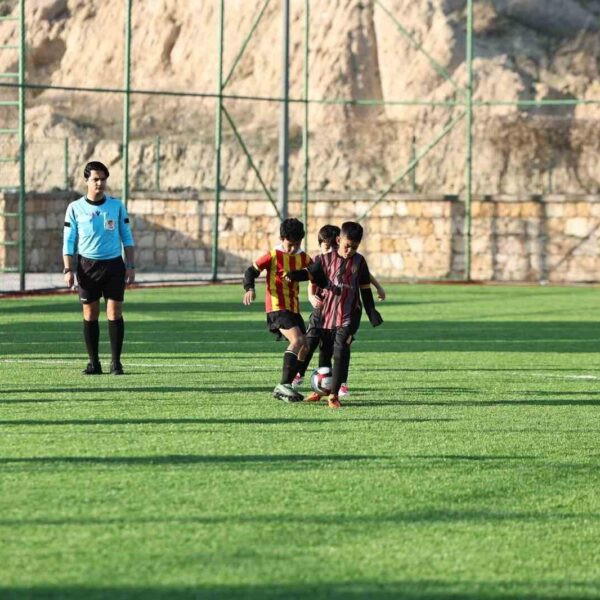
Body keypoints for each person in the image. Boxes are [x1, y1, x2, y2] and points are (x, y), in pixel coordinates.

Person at [285, 221, 383, 408]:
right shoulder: (324, 259)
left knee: (340, 350)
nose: (350, 251)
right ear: (339, 240)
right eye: (347, 246)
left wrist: (372, 312)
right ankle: (320, 390)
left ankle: (334, 395)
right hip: (327, 313)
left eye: (354, 247)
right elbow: (309, 273)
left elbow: (365, 288)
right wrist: (294, 275)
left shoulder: (359, 261)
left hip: (349, 314)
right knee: (324, 351)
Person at [62, 161, 135, 375]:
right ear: (86, 181)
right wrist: (68, 269)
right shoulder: (75, 208)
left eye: (103, 179)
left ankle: (116, 362)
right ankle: (94, 363)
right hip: (87, 266)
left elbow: (127, 237)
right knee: (90, 313)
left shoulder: (116, 206)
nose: (100, 183)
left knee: (114, 312)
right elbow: (68, 241)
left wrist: (130, 265)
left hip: (114, 265)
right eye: (95, 179)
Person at [242, 218, 316, 402]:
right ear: (282, 238)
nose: (293, 248)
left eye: (297, 244)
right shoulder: (273, 255)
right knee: (298, 340)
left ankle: (288, 385)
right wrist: (249, 288)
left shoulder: (303, 257)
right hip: (276, 306)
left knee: (305, 346)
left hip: (293, 308)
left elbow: (316, 272)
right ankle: (283, 385)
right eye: (290, 244)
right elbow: (250, 271)